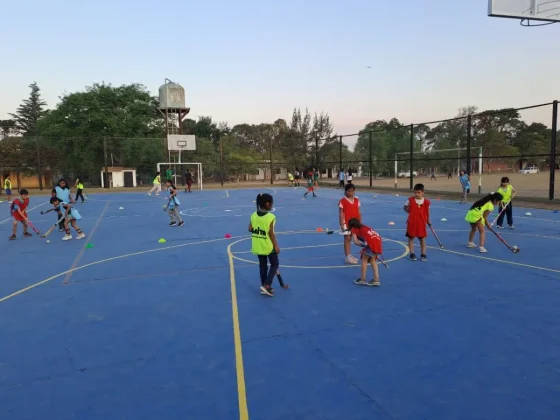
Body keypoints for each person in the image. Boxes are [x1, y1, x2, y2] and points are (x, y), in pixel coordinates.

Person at [249, 193, 280, 297]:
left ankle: (264, 286)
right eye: (271, 203)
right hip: (267, 245)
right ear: (267, 204)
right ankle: (267, 285)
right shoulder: (270, 217)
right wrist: (276, 245)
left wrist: (258, 228)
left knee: (263, 266)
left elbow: (250, 228)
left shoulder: (253, 215)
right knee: (274, 264)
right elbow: (271, 233)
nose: (272, 205)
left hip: (257, 244)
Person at [348, 218, 382, 286]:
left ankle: (362, 279)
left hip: (371, 243)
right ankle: (376, 279)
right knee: (372, 261)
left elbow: (355, 241)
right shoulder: (364, 227)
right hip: (377, 241)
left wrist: (362, 245)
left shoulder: (354, 229)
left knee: (364, 260)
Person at [404, 183, 431, 261]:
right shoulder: (410, 200)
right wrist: (410, 212)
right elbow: (405, 207)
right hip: (412, 223)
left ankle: (423, 254)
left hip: (421, 223)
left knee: (422, 239)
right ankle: (412, 253)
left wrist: (428, 220)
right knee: (411, 238)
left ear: (422, 192)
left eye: (418, 192)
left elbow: (427, 212)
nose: (417, 194)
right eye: (415, 192)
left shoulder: (426, 202)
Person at [339, 183, 361, 264]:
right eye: (349, 191)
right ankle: (347, 256)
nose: (351, 193)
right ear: (345, 191)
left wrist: (360, 222)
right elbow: (341, 213)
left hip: (354, 222)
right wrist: (342, 224)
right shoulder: (343, 201)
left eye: (352, 191)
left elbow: (358, 211)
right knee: (347, 238)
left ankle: (349, 254)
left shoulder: (357, 200)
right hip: (346, 222)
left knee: (351, 237)